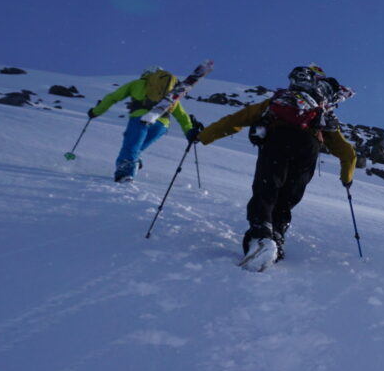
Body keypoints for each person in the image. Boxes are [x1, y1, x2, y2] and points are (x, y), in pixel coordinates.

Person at [195, 65, 357, 261]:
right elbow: (347, 152)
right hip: (308, 146)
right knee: (288, 196)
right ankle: (277, 236)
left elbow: (235, 120)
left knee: (267, 188)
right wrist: (346, 178)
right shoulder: (321, 111)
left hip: (277, 140)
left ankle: (260, 235)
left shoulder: (276, 102)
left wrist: (204, 136)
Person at [88, 66, 202, 182]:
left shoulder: (137, 84)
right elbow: (182, 115)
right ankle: (134, 163)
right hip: (161, 124)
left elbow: (113, 97)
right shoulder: (168, 92)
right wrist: (189, 131)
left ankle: (125, 175)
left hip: (141, 119)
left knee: (130, 148)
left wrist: (96, 112)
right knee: (136, 149)